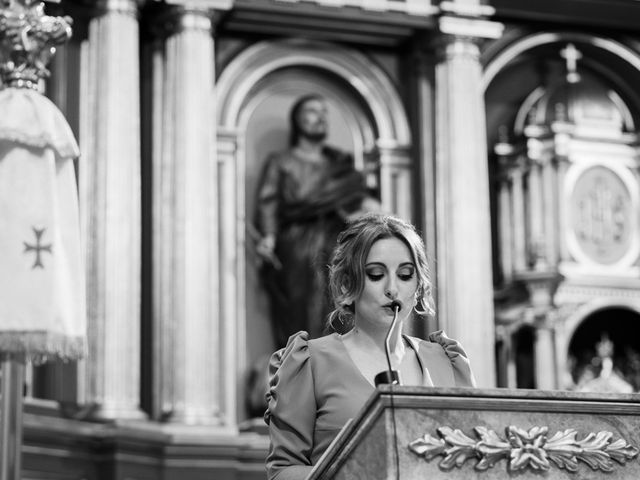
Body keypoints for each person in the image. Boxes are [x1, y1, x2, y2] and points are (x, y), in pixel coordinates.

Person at [264, 213, 476, 480]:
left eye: (405, 274)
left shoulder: (448, 362)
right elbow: (283, 472)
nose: (392, 288)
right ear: (346, 286)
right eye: (376, 275)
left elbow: (474, 463)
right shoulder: (308, 363)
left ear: (419, 286)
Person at [254, 94, 378, 348]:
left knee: (337, 301)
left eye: (324, 112)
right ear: (297, 120)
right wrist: (268, 236)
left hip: (336, 242)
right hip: (297, 246)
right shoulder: (281, 162)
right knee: (299, 307)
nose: (320, 117)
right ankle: (300, 363)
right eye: (312, 111)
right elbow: (268, 201)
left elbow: (357, 199)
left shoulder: (339, 166)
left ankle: (333, 363)